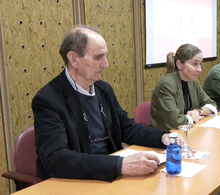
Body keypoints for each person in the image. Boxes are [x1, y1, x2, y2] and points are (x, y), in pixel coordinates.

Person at [32, 25, 184, 182]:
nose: (105, 64)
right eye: (98, 57)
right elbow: (57, 159)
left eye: (105, 56)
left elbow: (126, 128)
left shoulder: (103, 90)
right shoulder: (48, 100)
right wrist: (119, 165)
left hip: (109, 176)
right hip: (75, 181)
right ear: (74, 59)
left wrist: (163, 137)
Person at [150, 44, 217, 131]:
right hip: (166, 136)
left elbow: (212, 104)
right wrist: (195, 118)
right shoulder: (166, 85)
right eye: (195, 64)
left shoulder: (192, 81)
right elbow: (175, 121)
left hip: (188, 131)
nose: (199, 69)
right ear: (179, 64)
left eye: (200, 64)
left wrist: (198, 111)